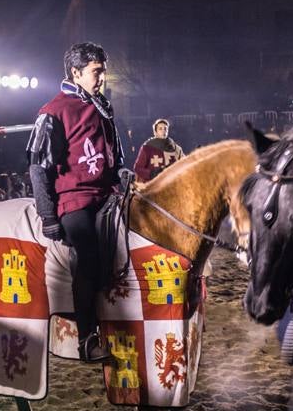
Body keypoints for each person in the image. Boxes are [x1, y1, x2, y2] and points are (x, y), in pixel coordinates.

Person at [27, 42, 125, 363]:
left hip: (108, 196)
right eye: (96, 72)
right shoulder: (53, 111)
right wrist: (48, 216)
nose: (102, 78)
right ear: (76, 72)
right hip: (74, 201)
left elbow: (114, 155)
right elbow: (38, 166)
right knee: (89, 252)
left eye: (103, 71)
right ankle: (87, 338)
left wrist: (122, 177)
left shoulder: (102, 106)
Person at [132, 117, 185, 183]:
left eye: (165, 128)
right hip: (152, 185)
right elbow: (137, 168)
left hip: (171, 184)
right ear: (155, 132)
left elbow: (184, 164)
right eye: (160, 129)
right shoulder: (147, 148)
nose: (163, 131)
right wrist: (152, 174)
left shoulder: (176, 148)